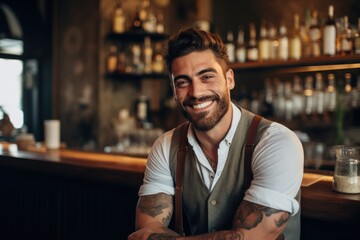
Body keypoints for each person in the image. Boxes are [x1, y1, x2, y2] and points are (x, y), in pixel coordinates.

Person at [128, 27, 303, 240]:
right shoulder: (166, 146)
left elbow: (251, 238)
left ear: (229, 79)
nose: (196, 92)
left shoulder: (276, 142)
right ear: (174, 92)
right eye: (183, 82)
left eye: (207, 76)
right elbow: (146, 229)